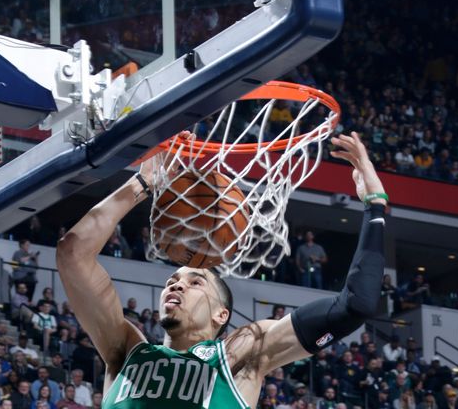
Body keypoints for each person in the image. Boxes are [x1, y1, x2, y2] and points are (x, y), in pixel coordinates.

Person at [55, 132, 387, 408]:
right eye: (173, 280)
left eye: (195, 281)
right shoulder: (126, 349)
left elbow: (355, 305)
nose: (177, 285)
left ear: (221, 315)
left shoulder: (240, 354)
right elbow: (73, 254)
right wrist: (143, 182)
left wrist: (375, 205)